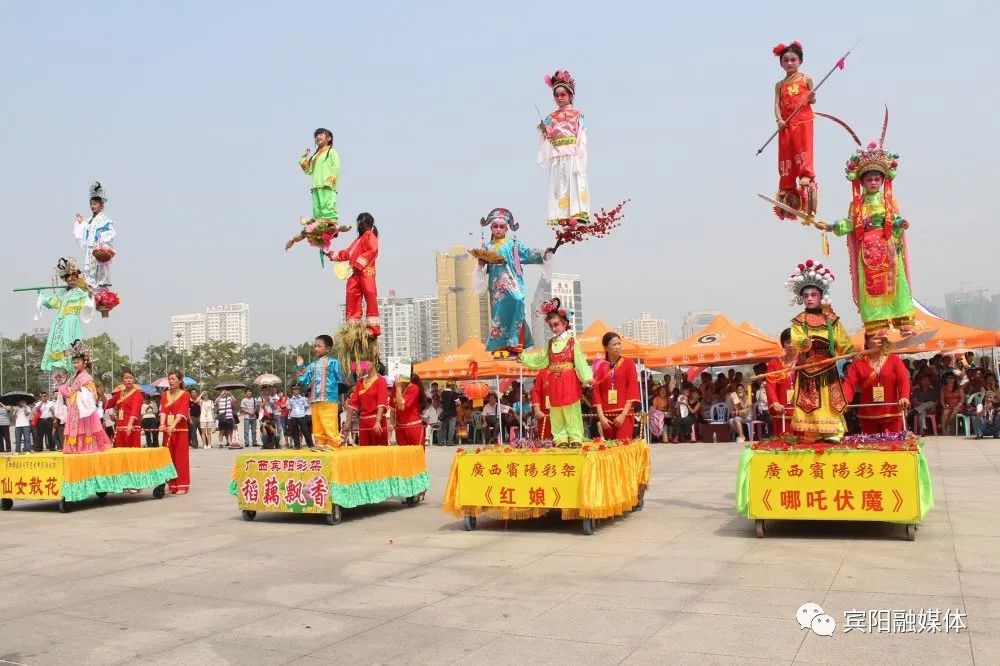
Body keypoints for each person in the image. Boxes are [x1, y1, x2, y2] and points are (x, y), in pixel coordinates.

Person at [827, 133, 915, 337]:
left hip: (888, 247)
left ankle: (903, 323)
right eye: (869, 179)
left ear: (883, 180)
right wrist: (832, 226)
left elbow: (895, 220)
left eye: (877, 178)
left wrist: (901, 223)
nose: (874, 182)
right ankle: (878, 325)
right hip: (867, 249)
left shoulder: (890, 202)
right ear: (862, 182)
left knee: (895, 283)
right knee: (871, 287)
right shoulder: (856, 205)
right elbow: (848, 224)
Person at [786, 260, 855, 441]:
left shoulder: (832, 320)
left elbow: (844, 342)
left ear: (820, 296)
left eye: (813, 294)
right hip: (808, 371)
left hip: (828, 370)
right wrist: (805, 343)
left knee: (830, 402)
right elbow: (798, 339)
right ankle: (813, 432)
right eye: (806, 295)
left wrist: (852, 353)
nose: (809, 298)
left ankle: (833, 432)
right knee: (810, 405)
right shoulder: (798, 321)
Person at [475, 208, 552, 357]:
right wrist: (480, 262)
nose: (498, 229)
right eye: (495, 226)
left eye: (501, 226)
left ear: (507, 228)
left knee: (517, 302)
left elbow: (528, 254)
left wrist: (543, 253)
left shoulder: (513, 244)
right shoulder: (487, 247)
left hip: (513, 282)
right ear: (491, 228)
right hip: (496, 287)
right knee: (499, 313)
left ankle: (516, 342)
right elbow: (480, 268)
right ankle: (500, 346)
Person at [520, 298, 593, 446]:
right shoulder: (550, 344)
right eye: (551, 325)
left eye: (556, 324)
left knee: (571, 407)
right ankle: (560, 437)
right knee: (556, 408)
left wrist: (587, 377)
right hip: (554, 380)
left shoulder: (572, 342)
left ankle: (575, 436)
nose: (554, 328)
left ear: (565, 324)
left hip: (569, 379)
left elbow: (579, 360)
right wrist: (523, 357)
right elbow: (541, 359)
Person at [771, 41, 817, 220]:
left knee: (802, 150)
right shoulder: (779, 84)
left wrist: (812, 97)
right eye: (786, 60)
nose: (790, 63)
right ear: (781, 63)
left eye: (793, 60)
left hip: (803, 121)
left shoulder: (806, 79)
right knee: (786, 153)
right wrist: (779, 119)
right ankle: (787, 187)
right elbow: (776, 103)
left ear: (800, 61)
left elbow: (812, 100)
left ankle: (806, 175)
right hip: (786, 124)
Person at [538, 69, 590, 227]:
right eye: (557, 95)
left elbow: (581, 134)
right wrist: (545, 132)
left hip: (573, 153)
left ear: (570, 96)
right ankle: (562, 216)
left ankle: (576, 215)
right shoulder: (550, 117)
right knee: (560, 184)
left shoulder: (577, 114)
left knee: (574, 182)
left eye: (563, 95)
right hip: (558, 154)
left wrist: (579, 152)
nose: (560, 98)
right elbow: (547, 136)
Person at [841, 336, 911, 434]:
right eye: (875, 338)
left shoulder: (894, 360)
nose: (879, 341)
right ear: (867, 343)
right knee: (871, 446)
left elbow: (903, 380)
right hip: (867, 414)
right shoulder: (858, 364)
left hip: (892, 413)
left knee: (893, 445)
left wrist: (904, 397)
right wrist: (844, 400)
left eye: (881, 338)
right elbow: (849, 383)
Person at [38, 258, 95, 373]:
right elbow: (55, 302)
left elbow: (88, 302)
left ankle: (72, 365)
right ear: (65, 279)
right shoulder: (62, 292)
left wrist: (89, 292)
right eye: (69, 277)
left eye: (74, 276)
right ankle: (61, 366)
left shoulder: (80, 292)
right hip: (60, 322)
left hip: (71, 321)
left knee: (70, 343)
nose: (72, 279)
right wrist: (42, 298)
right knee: (58, 344)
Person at [330, 213, 381, 339]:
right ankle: (353, 329)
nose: (358, 225)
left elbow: (372, 251)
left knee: (370, 297)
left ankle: (372, 329)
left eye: (359, 223)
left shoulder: (370, 236)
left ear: (363, 222)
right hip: (354, 274)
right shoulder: (358, 240)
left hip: (365, 272)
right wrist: (330, 254)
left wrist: (358, 264)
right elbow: (347, 254)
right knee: (352, 298)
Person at [57, 340, 112, 454]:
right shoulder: (77, 376)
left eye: (77, 362)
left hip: (82, 408)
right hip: (75, 406)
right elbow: (72, 392)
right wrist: (65, 389)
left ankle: (84, 447)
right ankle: (76, 447)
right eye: (74, 362)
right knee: (76, 427)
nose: (75, 365)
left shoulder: (86, 377)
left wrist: (67, 390)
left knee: (83, 427)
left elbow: (90, 392)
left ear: (84, 363)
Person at [294, 334, 345, 446]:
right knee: (317, 427)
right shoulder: (313, 365)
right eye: (315, 346)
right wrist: (300, 366)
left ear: (328, 348)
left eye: (319, 346)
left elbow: (341, 378)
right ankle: (320, 445)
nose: (316, 348)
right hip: (315, 400)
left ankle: (334, 445)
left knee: (329, 424)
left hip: (329, 399)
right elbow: (304, 379)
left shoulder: (333, 362)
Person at [592, 332, 641, 442]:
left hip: (624, 414)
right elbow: (596, 391)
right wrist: (601, 416)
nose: (618, 347)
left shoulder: (629, 363)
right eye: (614, 344)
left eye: (619, 343)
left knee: (622, 446)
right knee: (609, 450)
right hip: (605, 415)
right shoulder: (599, 365)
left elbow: (632, 389)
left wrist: (623, 415)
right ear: (606, 347)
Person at [296, 128, 342, 233]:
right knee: (317, 209)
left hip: (327, 186)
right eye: (316, 135)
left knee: (328, 207)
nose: (317, 137)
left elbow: (336, 167)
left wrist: (330, 181)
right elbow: (308, 170)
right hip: (316, 186)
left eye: (321, 134)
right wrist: (304, 158)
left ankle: (331, 227)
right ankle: (319, 227)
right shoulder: (315, 155)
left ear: (329, 138)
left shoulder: (332, 152)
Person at [72, 182, 116, 290]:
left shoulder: (105, 220)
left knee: (99, 271)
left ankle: (100, 289)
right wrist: (81, 223)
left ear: (101, 206)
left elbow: (111, 232)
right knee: (89, 273)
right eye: (91, 204)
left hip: (98, 249)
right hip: (90, 251)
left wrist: (101, 237)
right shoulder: (89, 220)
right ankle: (90, 287)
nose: (92, 206)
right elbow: (84, 235)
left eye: (95, 204)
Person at [159, 370, 191, 494]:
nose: (171, 381)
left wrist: (173, 424)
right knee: (168, 458)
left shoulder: (185, 394)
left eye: (173, 379)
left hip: (180, 430)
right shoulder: (164, 394)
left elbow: (182, 411)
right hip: (168, 430)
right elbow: (163, 411)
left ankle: (182, 484)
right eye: (169, 379)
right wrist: (162, 424)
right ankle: (172, 484)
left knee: (180, 458)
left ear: (179, 381)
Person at [343, 362, 389, 445]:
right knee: (364, 451)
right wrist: (348, 421)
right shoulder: (360, 382)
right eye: (362, 361)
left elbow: (382, 402)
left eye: (367, 361)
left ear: (374, 362)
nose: (363, 364)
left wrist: (378, 421)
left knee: (379, 453)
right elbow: (352, 403)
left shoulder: (381, 380)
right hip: (363, 423)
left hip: (377, 423)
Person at [763, 329, 797, 435]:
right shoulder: (775, 363)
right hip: (782, 411)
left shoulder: (805, 362)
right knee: (783, 443)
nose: (791, 345)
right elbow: (770, 385)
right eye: (788, 342)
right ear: (783, 344)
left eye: (794, 341)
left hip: (802, 411)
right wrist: (775, 402)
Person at [106, 370, 143, 447]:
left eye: (131, 378)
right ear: (122, 380)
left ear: (134, 379)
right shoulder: (119, 393)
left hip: (132, 427)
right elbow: (108, 404)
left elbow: (135, 410)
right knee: (120, 450)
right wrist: (101, 394)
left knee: (132, 452)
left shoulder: (137, 394)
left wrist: (129, 425)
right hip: (120, 426)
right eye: (126, 378)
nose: (129, 380)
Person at [394, 372, 426, 445]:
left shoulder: (413, 387)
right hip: (399, 426)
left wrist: (398, 387)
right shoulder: (395, 386)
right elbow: (392, 406)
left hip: (412, 426)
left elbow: (401, 407)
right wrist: (392, 423)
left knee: (415, 454)